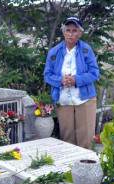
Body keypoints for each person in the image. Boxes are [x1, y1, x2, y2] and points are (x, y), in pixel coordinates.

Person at [44, 17, 100, 149]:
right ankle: (70, 168)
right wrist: (60, 80)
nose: (70, 34)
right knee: (67, 139)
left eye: (74, 31)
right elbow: (47, 75)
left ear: (80, 33)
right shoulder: (54, 52)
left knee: (86, 140)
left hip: (85, 99)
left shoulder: (86, 50)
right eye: (67, 30)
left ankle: (86, 168)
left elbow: (94, 73)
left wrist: (76, 80)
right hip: (63, 100)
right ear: (63, 32)